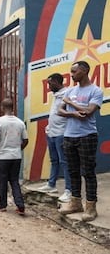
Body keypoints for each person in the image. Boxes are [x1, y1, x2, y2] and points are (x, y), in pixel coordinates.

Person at [58, 61, 103, 222]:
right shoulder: (71, 90)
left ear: (84, 71)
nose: (71, 75)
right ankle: (75, 202)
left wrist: (71, 104)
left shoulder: (96, 91)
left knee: (88, 172)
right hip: (69, 135)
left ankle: (91, 207)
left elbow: (89, 112)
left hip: (87, 136)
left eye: (74, 71)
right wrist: (74, 113)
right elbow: (60, 110)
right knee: (72, 171)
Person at [37, 73, 71, 202]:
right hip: (51, 133)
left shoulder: (67, 94)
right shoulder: (56, 95)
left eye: (50, 83)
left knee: (65, 162)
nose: (49, 86)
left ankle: (69, 190)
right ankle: (51, 185)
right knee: (54, 160)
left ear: (57, 82)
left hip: (62, 133)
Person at [0, 98, 28, 215]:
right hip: (16, 156)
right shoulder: (20, 122)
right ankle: (20, 206)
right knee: (14, 181)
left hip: (3, 157)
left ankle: (2, 205)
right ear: (13, 108)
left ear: (2, 107)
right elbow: (26, 140)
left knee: (2, 181)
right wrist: (18, 149)